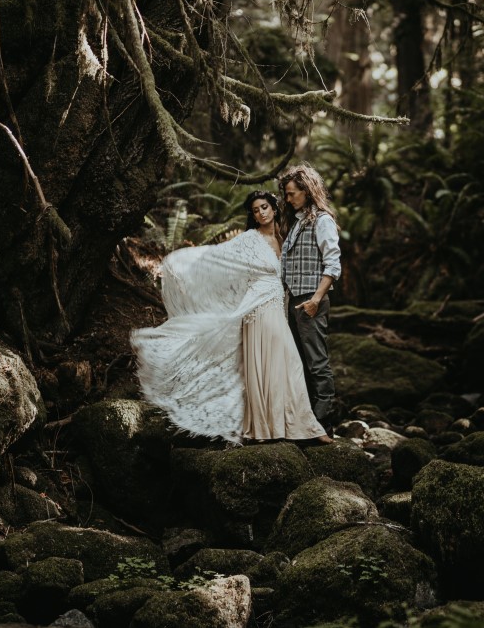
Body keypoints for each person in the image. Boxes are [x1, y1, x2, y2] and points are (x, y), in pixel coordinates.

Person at [130, 190, 331, 444]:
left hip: (277, 305)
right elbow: (218, 259)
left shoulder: (285, 237)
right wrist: (181, 262)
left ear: (275, 208)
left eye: (265, 207)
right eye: (256, 210)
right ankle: (289, 428)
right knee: (286, 362)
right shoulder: (249, 239)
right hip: (259, 307)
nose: (261, 213)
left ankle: (280, 427)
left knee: (280, 365)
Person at [278, 164, 341, 427]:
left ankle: (325, 422)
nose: (288, 199)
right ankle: (308, 421)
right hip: (293, 301)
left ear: (307, 191)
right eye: (287, 194)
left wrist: (315, 300)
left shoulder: (322, 221)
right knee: (300, 363)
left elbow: (333, 264)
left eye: (292, 193)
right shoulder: (297, 222)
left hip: (310, 300)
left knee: (317, 363)